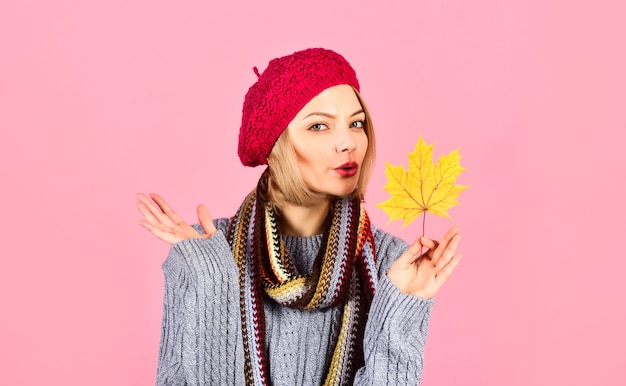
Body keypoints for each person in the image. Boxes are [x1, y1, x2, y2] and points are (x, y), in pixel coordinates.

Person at [136, 48, 462, 386]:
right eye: (319, 126)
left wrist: (401, 311)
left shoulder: (394, 264)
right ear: (275, 144)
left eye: (356, 123)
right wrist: (213, 278)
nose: (348, 142)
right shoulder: (203, 254)